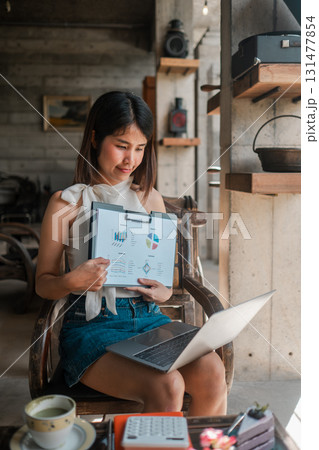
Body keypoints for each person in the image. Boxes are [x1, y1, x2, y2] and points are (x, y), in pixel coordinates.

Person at [36, 91, 227, 415]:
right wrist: (71, 281)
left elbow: (161, 279)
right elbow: (43, 284)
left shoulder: (149, 197)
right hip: (92, 326)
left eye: (140, 148)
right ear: (95, 138)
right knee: (168, 386)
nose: (131, 160)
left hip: (149, 320)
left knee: (212, 373)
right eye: (122, 145)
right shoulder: (66, 202)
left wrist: (163, 292)